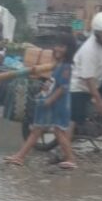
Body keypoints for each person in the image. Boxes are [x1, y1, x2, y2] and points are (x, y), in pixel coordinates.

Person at [5, 33, 78, 170]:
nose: (57, 49)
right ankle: (20, 157)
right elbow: (55, 83)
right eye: (57, 45)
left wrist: (50, 99)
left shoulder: (66, 67)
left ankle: (71, 159)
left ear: (69, 49)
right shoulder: (59, 64)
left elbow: (63, 87)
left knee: (57, 132)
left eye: (62, 46)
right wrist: (46, 88)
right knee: (38, 130)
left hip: (58, 104)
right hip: (52, 101)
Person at [69, 11, 102, 130]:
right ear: (97, 33)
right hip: (79, 87)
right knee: (73, 121)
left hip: (96, 82)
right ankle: (67, 145)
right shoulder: (89, 50)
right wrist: (99, 101)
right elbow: (88, 79)